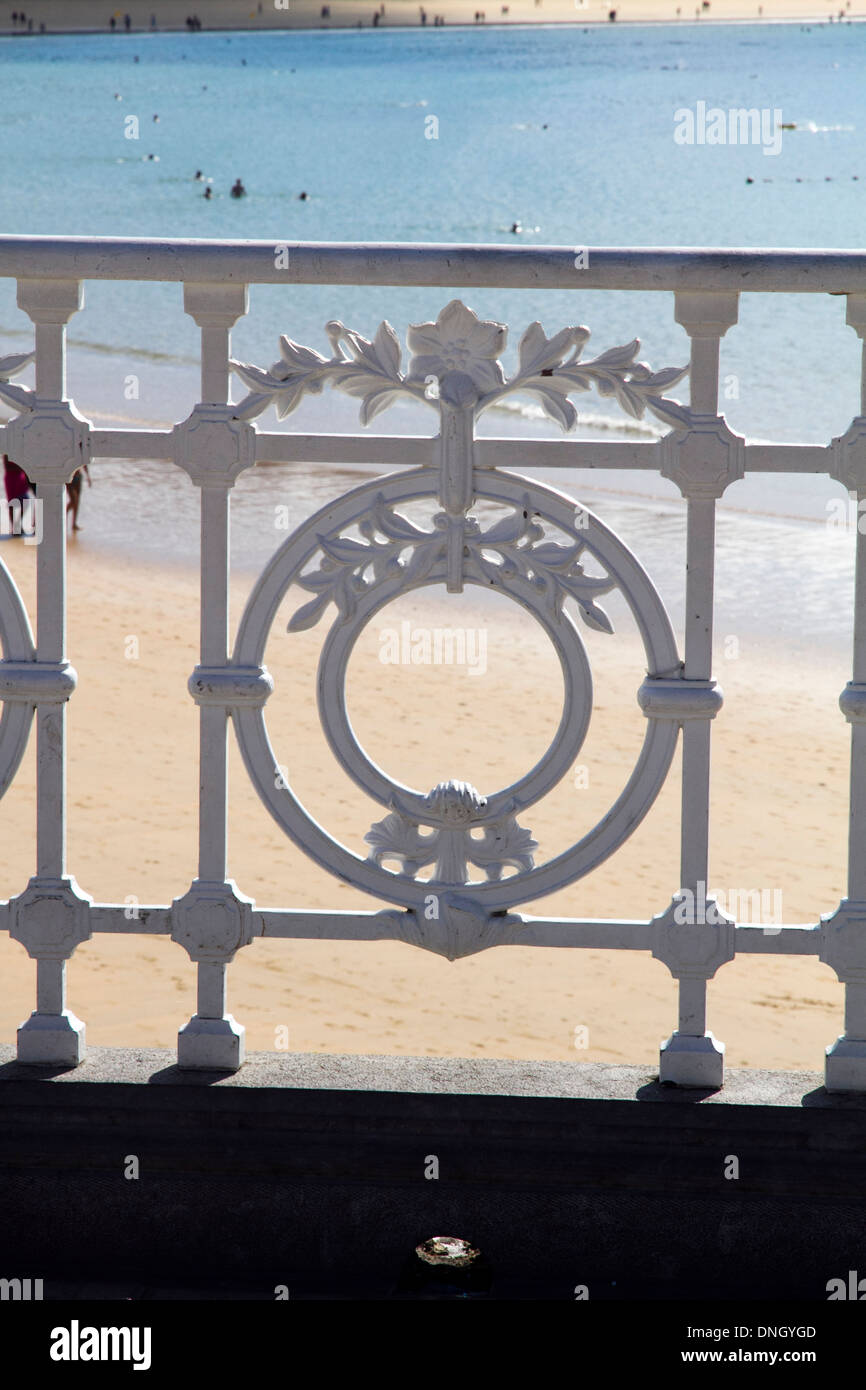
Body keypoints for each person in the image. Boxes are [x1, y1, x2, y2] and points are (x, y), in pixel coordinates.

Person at [3, 455, 34, 538]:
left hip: (21, 478)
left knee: (25, 501)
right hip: (11, 478)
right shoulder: (7, 454)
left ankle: (18, 523)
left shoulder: (21, 451)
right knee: (12, 504)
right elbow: (7, 466)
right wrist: (21, 467)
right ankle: (14, 527)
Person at [66, 465, 91, 532]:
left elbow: (84, 462)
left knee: (77, 503)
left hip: (78, 476)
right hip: (70, 477)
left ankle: (74, 524)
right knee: (73, 500)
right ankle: (63, 519)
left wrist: (88, 476)